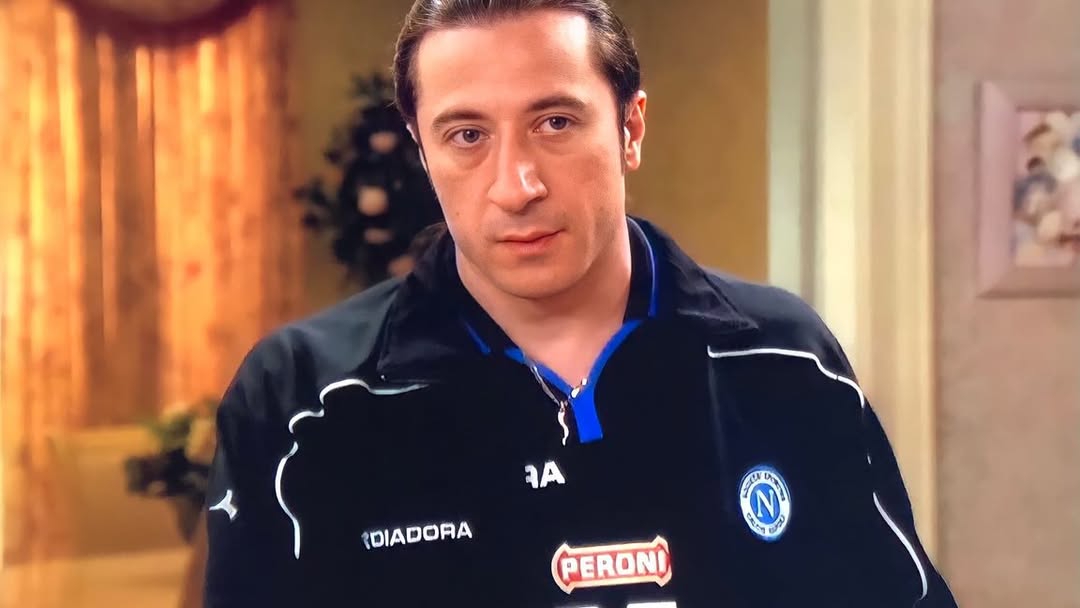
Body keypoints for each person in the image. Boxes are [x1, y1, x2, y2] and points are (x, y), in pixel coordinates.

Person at [204, 1, 958, 606]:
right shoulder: (303, 398)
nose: (516, 186)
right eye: (467, 135)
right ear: (422, 151)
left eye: (555, 123)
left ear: (631, 128)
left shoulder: (784, 356)